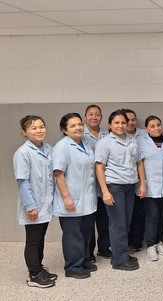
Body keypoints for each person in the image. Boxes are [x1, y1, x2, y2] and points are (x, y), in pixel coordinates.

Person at [95, 109, 147, 271]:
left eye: (123, 122)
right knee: (117, 224)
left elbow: (138, 162)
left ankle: (121, 253)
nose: (120, 125)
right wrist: (105, 191)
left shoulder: (131, 140)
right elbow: (99, 167)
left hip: (129, 187)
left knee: (125, 222)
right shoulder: (104, 142)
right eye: (116, 122)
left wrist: (143, 183)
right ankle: (119, 260)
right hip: (114, 187)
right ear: (110, 125)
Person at [13, 115, 57, 288]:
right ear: (25, 132)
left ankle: (39, 268)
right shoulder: (23, 153)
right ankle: (33, 275)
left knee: (40, 237)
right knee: (33, 240)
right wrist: (30, 206)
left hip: (45, 203)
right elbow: (22, 182)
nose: (39, 130)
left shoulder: (47, 148)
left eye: (41, 127)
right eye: (33, 128)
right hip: (33, 205)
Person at [53, 113, 97, 279]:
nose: (78, 127)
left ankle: (84, 261)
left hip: (87, 198)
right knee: (73, 235)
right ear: (64, 130)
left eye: (79, 124)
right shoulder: (62, 146)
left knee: (86, 232)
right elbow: (58, 174)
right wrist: (66, 197)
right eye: (72, 126)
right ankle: (73, 267)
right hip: (71, 198)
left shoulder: (85, 143)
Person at [137, 115, 163, 261]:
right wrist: (142, 183)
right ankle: (151, 245)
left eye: (158, 124)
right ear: (146, 128)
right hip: (149, 185)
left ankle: (159, 241)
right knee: (152, 216)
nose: (156, 128)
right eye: (152, 126)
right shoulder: (141, 141)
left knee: (162, 215)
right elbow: (138, 163)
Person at [82, 105, 111, 262]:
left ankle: (104, 248)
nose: (94, 117)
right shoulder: (81, 134)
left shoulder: (107, 134)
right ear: (85, 116)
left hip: (105, 184)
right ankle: (89, 252)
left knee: (105, 219)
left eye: (97, 114)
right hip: (88, 184)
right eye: (91, 114)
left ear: (101, 117)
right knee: (88, 222)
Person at [124, 109, 147, 252]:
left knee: (139, 213)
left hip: (139, 179)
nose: (131, 122)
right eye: (128, 120)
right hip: (123, 181)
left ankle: (137, 242)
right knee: (125, 214)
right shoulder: (116, 135)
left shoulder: (142, 134)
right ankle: (124, 242)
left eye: (133, 119)